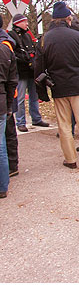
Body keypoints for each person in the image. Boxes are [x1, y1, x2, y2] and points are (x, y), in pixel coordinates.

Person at [34, 1, 79, 169]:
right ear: (67, 19)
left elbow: (38, 67)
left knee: (64, 125)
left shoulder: (44, 39)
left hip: (58, 87)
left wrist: (42, 93)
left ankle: (70, 159)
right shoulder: (78, 36)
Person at [8, 13, 48, 132]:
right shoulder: (12, 36)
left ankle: (36, 118)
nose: (27, 24)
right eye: (24, 22)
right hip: (20, 72)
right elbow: (12, 54)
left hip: (31, 71)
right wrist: (24, 59)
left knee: (34, 96)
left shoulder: (27, 36)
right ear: (18, 23)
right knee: (20, 98)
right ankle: (20, 121)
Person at [0, 15, 18, 198]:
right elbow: (12, 78)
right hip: (4, 100)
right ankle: (3, 185)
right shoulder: (7, 47)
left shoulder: (6, 46)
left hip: (4, 99)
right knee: (2, 144)